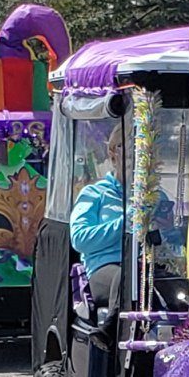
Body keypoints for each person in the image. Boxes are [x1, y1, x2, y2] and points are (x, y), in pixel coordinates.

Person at [70, 125, 125, 311]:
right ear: (113, 153)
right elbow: (79, 239)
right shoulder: (94, 193)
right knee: (124, 279)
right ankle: (108, 332)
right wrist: (125, 224)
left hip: (146, 267)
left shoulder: (156, 197)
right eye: (130, 148)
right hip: (105, 268)